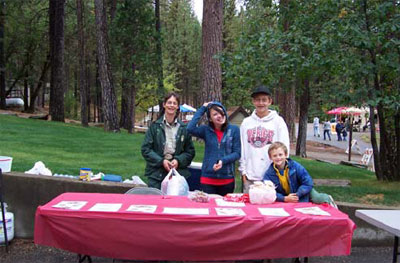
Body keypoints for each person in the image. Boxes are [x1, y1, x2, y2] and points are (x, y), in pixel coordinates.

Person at [239, 85, 290, 194]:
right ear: (253, 102)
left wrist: (281, 170)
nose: (261, 103)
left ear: (270, 101)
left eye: (264, 100)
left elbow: (285, 150)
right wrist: (243, 171)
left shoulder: (278, 122)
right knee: (250, 208)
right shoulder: (246, 123)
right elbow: (242, 148)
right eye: (258, 100)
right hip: (250, 175)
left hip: (272, 176)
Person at [141, 92, 195, 189]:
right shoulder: (154, 127)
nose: (171, 105)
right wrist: (162, 161)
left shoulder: (183, 128)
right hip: (156, 174)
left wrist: (178, 160)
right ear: (164, 104)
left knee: (175, 203)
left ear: (178, 106)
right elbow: (146, 149)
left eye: (174, 103)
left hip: (178, 174)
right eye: (169, 102)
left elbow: (190, 152)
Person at [187, 101, 241, 196]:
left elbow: (237, 153)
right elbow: (190, 128)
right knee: (208, 209)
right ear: (210, 119)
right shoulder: (206, 130)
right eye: (215, 114)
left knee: (225, 208)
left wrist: (222, 161)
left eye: (221, 112)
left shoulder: (234, 130)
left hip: (227, 179)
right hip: (208, 179)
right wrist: (203, 108)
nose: (219, 116)